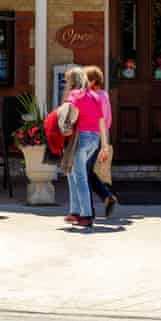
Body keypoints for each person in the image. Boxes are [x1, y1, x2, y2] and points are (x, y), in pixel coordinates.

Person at [62, 65, 109, 229]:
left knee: (80, 176)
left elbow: (72, 113)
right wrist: (104, 145)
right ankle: (75, 211)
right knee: (74, 174)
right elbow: (101, 121)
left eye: (67, 80)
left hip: (80, 138)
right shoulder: (95, 96)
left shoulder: (75, 94)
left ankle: (86, 215)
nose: (66, 83)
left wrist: (66, 126)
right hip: (94, 139)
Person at [84, 65, 118, 218]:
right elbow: (107, 119)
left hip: (90, 135)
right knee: (87, 171)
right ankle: (105, 198)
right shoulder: (104, 95)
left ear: (91, 81)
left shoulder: (91, 97)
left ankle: (89, 210)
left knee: (83, 172)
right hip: (100, 136)